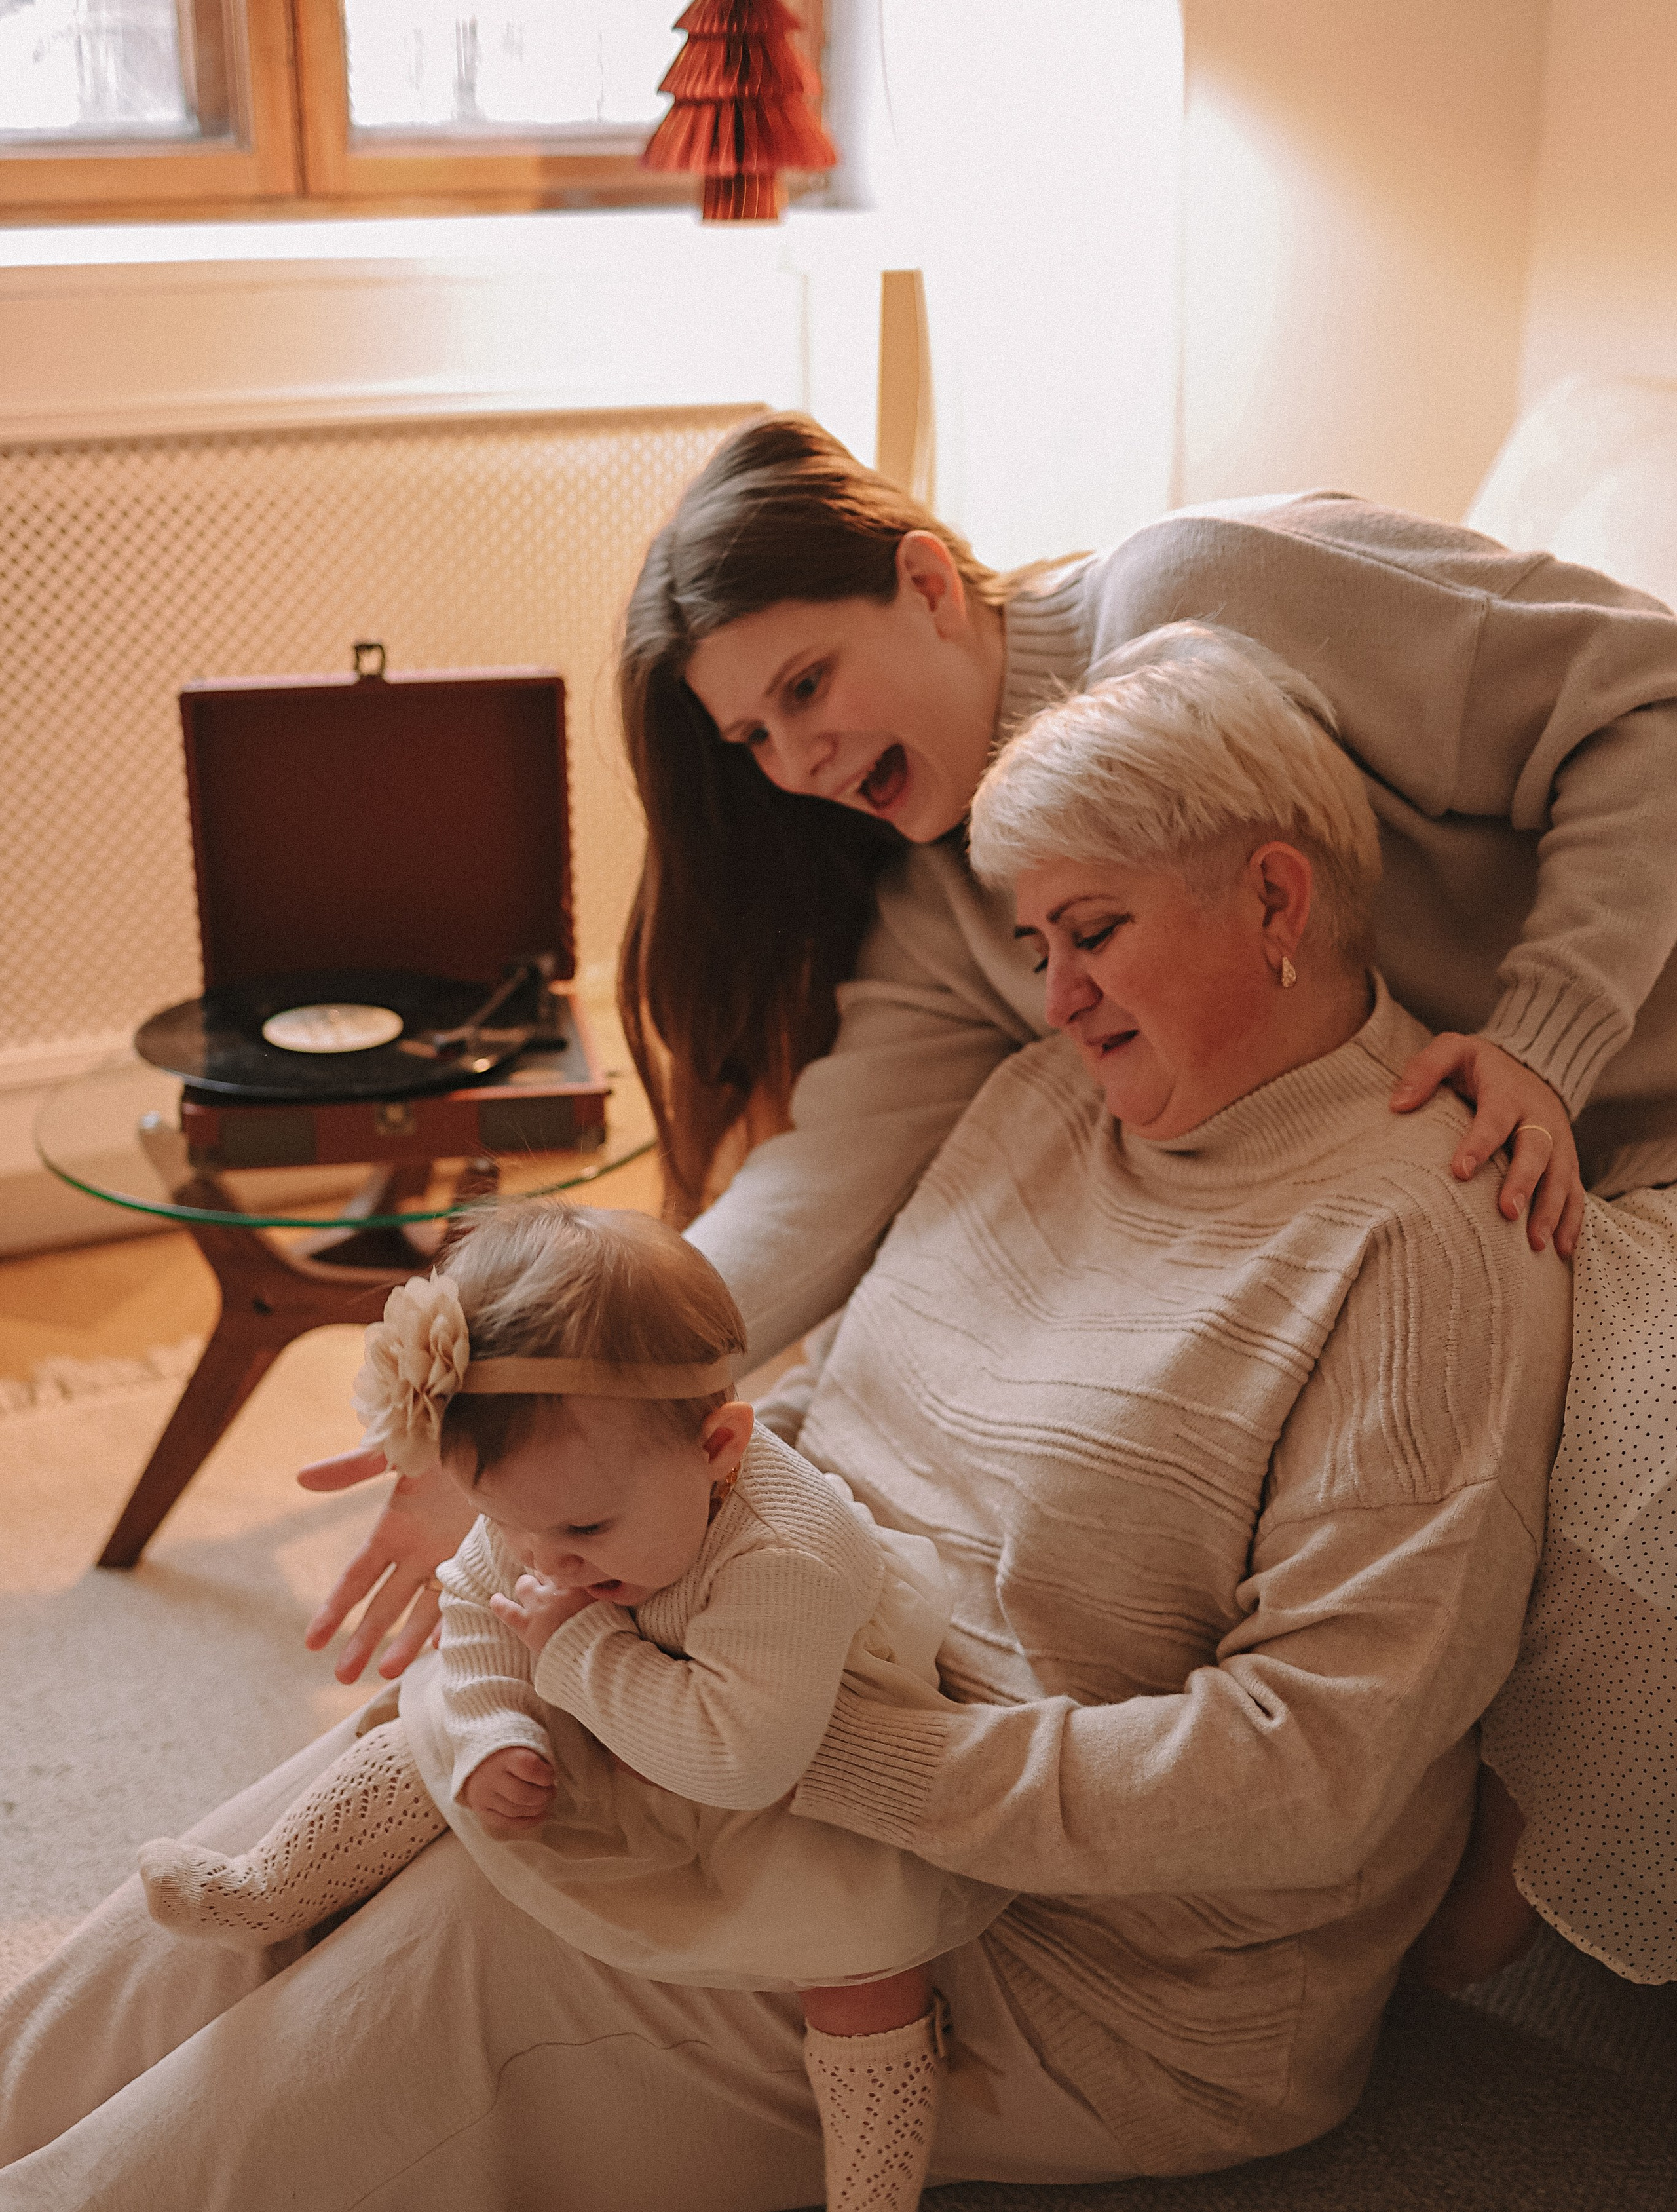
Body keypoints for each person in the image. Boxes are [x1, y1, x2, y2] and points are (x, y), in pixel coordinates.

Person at [0, 627, 1572, 2212]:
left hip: (1078, 1959)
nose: (1052, 995)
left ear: (1275, 898)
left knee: (444, 1965)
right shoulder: (1049, 1102)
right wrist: (607, 1541)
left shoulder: (1425, 1248)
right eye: (1032, 945)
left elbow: (1309, 1774)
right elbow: (833, 1391)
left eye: (1091, 934)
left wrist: (786, 1742)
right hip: (762, 1707)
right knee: (339, 1821)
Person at [298, 414, 1677, 1993]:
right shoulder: (954, 909)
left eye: (805, 685)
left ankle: (1493, 1919)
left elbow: (1642, 696)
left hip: (1614, 1075)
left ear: (928, 583)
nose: (797, 761)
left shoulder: (1212, 581)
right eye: (751, 740)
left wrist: (1548, 1038)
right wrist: (559, 1393)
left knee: (1638, 1435)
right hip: (1441, 1121)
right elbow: (821, 1176)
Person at [136, 1200, 1009, 2212]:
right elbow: (475, 1606)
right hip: (626, 1686)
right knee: (426, 1721)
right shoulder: (549, 1520)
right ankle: (270, 1882)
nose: (545, 1557)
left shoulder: (785, 1560)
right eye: (511, 1521)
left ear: (720, 1449)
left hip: (797, 1753)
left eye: (584, 1527)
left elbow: (738, 1757)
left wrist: (576, 1654)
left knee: (865, 1967)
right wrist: (499, 1722)